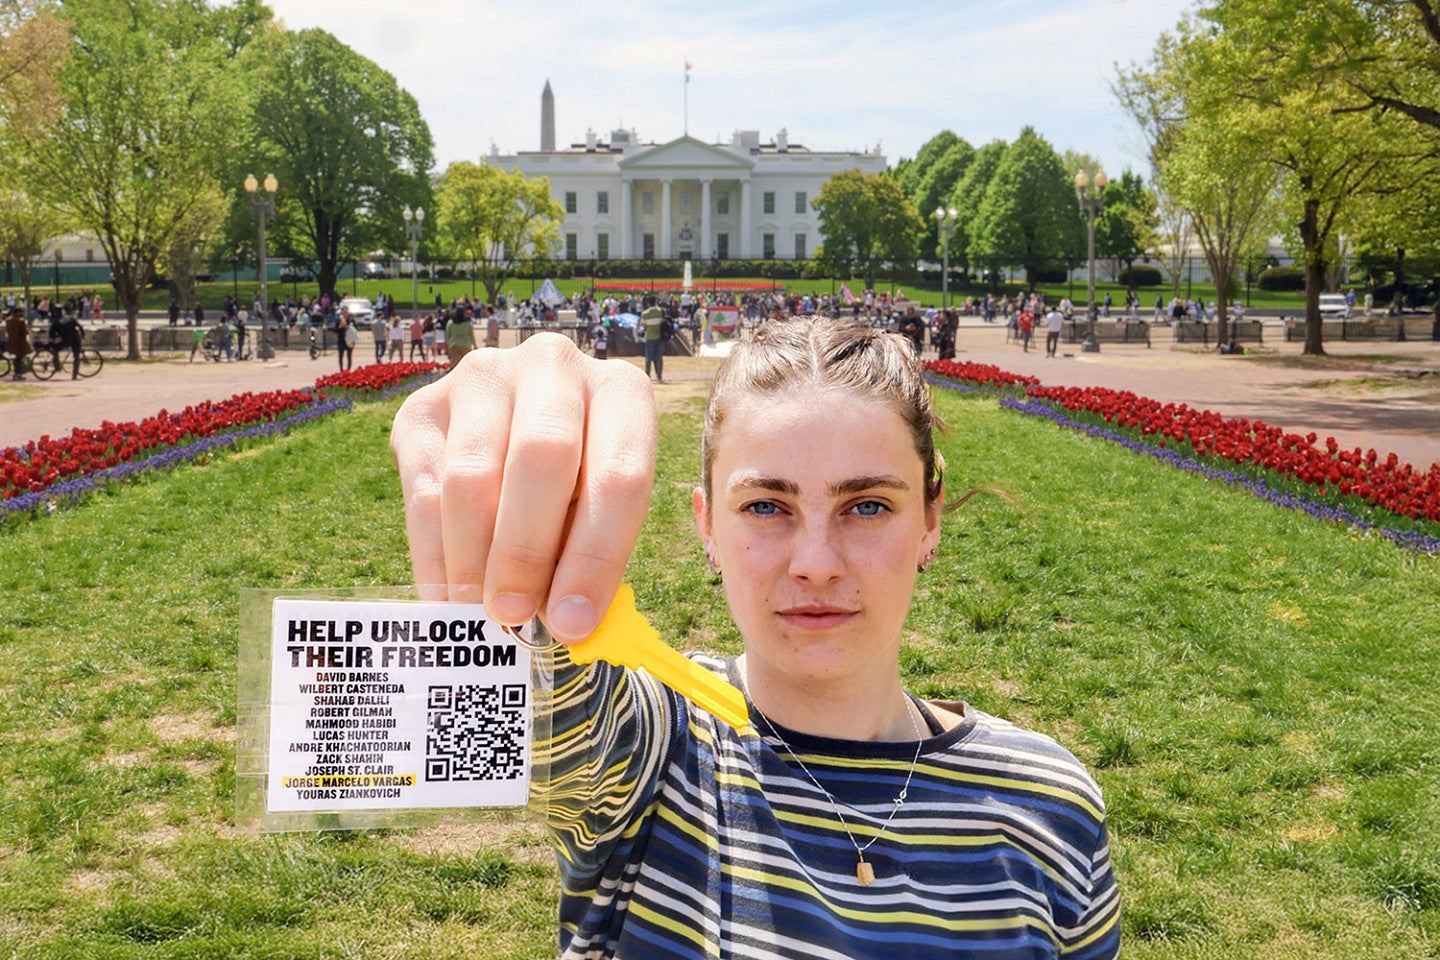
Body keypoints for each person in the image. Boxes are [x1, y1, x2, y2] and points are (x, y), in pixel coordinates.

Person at [389, 319, 1119, 959]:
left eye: (867, 506)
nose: (815, 564)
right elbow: (535, 692)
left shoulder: (1050, 805)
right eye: (766, 505)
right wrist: (523, 417)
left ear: (929, 522)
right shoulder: (652, 753)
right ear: (708, 526)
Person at [640, 299, 665, 382]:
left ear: (648, 303)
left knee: (648, 357)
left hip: (650, 337)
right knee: (658, 357)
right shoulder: (661, 311)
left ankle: (647, 374)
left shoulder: (645, 314)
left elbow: (643, 325)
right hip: (660, 337)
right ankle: (659, 375)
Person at [5, 306, 29, 379]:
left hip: (11, 341)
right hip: (19, 342)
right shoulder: (21, 321)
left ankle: (17, 373)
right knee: (19, 358)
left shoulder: (8, 320)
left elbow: (7, 330)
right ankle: (17, 374)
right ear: (18, 312)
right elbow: (24, 332)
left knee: (17, 358)